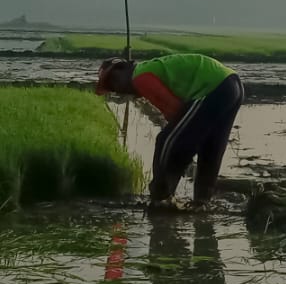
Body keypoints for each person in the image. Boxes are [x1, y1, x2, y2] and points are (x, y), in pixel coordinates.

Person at [96, 52, 244, 208]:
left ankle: (161, 197)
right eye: (111, 88)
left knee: (166, 141)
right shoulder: (148, 69)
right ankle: (202, 202)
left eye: (113, 83)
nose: (117, 90)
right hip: (233, 85)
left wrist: (182, 137)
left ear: (122, 70)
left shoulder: (140, 77)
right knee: (210, 148)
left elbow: (175, 111)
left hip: (212, 88)